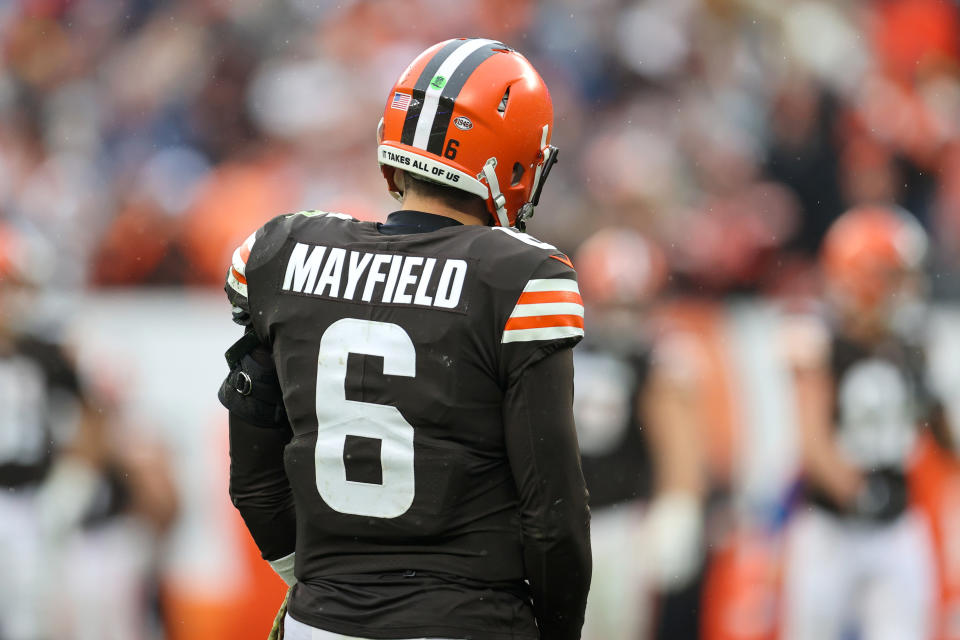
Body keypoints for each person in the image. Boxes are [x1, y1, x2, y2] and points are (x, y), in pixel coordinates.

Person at [219, 37, 591, 640]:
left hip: (321, 623)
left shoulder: (284, 253)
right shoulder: (517, 277)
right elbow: (553, 516)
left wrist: (311, 583)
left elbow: (253, 478)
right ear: (514, 160)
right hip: (466, 620)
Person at [0, 222, 179, 640]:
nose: (13, 301)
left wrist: (71, 480)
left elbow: (92, 414)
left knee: (30, 604)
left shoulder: (47, 355)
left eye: (16, 288)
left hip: (27, 496)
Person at [781, 205, 946, 640]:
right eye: (894, 276)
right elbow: (813, 440)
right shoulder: (818, 342)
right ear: (863, 277)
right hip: (830, 526)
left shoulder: (911, 346)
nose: (905, 289)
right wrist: (853, 489)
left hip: (896, 524)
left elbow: (941, 431)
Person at [572, 228, 706, 640]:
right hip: (563, 519)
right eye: (613, 303)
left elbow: (678, 440)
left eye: (631, 305)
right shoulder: (561, 347)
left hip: (624, 519)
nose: (621, 318)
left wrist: (680, 503)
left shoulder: (660, 357)